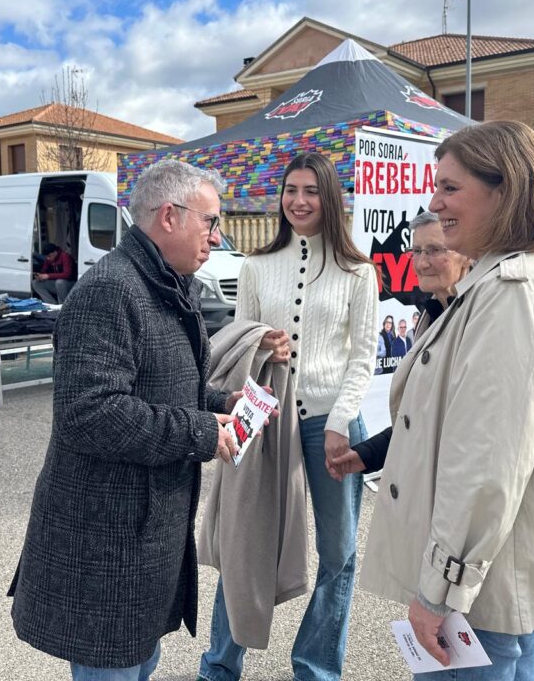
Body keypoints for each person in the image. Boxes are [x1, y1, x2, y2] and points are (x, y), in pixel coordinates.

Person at [355, 121, 534, 681]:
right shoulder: (525, 279)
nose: (434, 202)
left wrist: (440, 590)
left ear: (504, 189)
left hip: (481, 583)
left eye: (450, 187)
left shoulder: (512, 294)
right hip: (497, 570)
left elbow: (486, 462)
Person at [9, 158, 244, 681]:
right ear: (169, 217)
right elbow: (89, 413)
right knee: (112, 668)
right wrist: (202, 432)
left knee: (138, 662)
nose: (215, 235)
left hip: (140, 539)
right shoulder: (112, 290)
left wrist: (224, 402)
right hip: (107, 540)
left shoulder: (160, 281)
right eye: (210, 221)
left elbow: (160, 384)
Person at [198, 151, 380, 681]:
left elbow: (362, 356)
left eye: (311, 190)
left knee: (338, 552)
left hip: (330, 420)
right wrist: (262, 346)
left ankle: (316, 667)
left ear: (330, 197)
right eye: (291, 190)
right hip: (265, 414)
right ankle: (219, 664)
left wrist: (342, 420)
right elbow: (237, 341)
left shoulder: (357, 270)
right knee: (243, 540)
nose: (299, 201)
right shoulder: (256, 264)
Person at [329, 211, 470, 477]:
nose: (422, 262)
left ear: (466, 254)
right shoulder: (432, 313)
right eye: (416, 251)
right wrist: (366, 455)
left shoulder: (475, 318)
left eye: (435, 250)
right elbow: (418, 416)